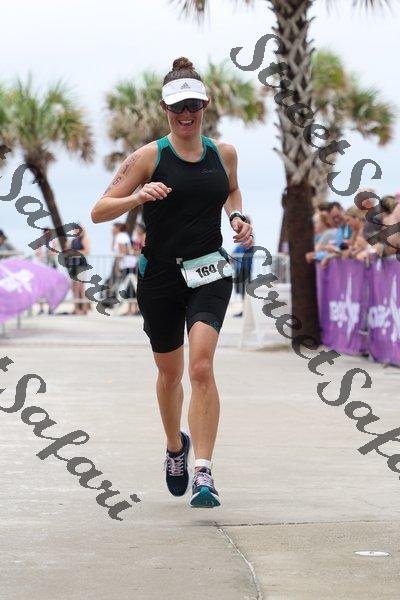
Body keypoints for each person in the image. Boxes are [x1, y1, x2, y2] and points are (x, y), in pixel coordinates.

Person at [91, 56, 253, 508]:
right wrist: (138, 195)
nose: (186, 113)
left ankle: (204, 472)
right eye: (178, 106)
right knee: (170, 374)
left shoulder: (224, 153)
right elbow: (99, 210)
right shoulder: (149, 156)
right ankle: (175, 446)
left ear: (205, 105)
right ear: (165, 108)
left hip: (209, 271)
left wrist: (237, 216)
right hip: (160, 276)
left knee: (201, 367)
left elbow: (231, 189)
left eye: (193, 105)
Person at [112, 222, 139, 316]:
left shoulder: (120, 236)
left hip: (127, 264)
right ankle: (132, 308)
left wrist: (117, 266)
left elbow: (122, 251)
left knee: (130, 287)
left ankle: (132, 309)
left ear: (118, 228)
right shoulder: (124, 235)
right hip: (130, 264)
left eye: (113, 228)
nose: (112, 230)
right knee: (131, 286)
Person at [231, 214, 254, 316]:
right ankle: (245, 310)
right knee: (242, 290)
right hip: (242, 267)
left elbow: (241, 248)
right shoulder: (246, 236)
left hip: (245, 268)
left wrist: (232, 256)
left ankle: (246, 311)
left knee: (245, 290)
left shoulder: (248, 236)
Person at [65, 224, 91, 315]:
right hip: (73, 265)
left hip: (81, 265)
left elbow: (87, 251)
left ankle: (84, 308)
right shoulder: (72, 240)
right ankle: (76, 308)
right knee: (74, 287)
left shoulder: (84, 239)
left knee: (81, 287)